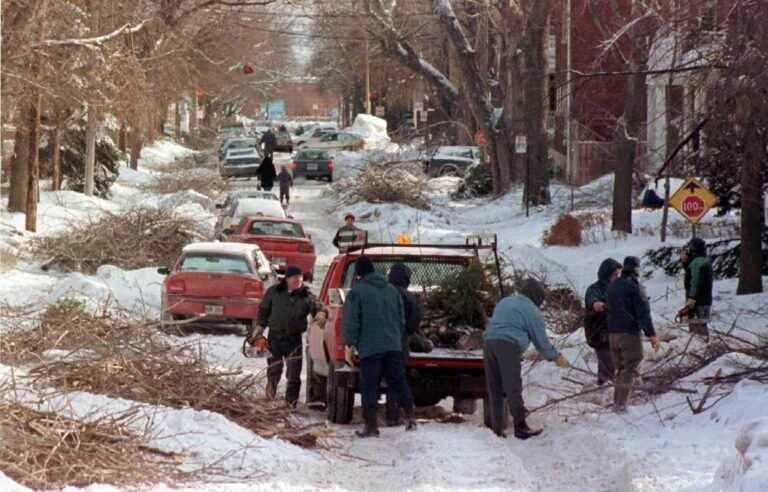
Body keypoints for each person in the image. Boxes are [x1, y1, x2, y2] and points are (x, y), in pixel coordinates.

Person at [483, 278, 570, 439]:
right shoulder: (532, 310)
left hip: (488, 343)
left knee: (494, 387)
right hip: (508, 346)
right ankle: (521, 427)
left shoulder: (505, 301)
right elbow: (541, 342)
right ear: (537, 296)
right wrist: (556, 357)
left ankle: (496, 430)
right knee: (512, 387)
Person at [342, 255, 416, 438]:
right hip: (393, 345)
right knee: (399, 381)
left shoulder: (356, 292)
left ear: (359, 274)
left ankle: (371, 426)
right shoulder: (392, 290)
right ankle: (410, 417)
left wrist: (349, 345)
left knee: (370, 386)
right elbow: (401, 319)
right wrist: (396, 338)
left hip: (370, 347)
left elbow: (351, 321)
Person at [250, 265, 326, 408]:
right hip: (275, 337)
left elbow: (318, 305)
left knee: (293, 374)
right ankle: (270, 395)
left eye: (300, 277)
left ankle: (290, 403)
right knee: (274, 369)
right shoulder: (274, 292)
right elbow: (263, 310)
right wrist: (260, 327)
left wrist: (321, 313)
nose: (298, 280)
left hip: (294, 339)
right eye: (295, 277)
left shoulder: (306, 294)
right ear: (287, 279)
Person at [606, 256, 660, 413]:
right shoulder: (635, 286)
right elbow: (643, 312)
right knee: (630, 366)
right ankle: (621, 406)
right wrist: (652, 335)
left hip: (612, 334)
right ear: (636, 269)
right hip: (629, 333)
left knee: (621, 369)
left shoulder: (612, 285)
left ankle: (617, 403)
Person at [384, 263, 423, 427]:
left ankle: (370, 419)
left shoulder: (381, 293)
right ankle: (393, 415)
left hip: (376, 343)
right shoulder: (408, 297)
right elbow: (415, 322)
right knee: (396, 378)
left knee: (371, 379)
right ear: (406, 279)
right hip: (399, 343)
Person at [584, 259, 623, 386]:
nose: (618, 277)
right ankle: (607, 389)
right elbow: (592, 300)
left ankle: (607, 383)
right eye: (615, 275)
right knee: (608, 364)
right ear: (607, 274)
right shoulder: (594, 289)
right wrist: (597, 304)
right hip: (598, 333)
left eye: (618, 274)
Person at [682, 238, 713, 338]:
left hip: (696, 302)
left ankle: (700, 349)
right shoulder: (704, 261)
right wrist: (685, 263)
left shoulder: (696, 263)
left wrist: (691, 299)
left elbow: (695, 281)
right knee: (702, 326)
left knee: (697, 331)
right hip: (705, 300)